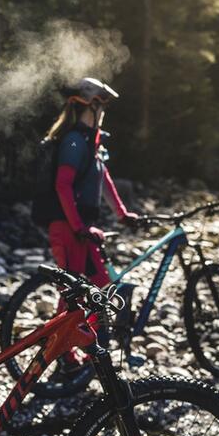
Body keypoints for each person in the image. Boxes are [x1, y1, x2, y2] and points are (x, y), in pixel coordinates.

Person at [44, 78, 138, 355]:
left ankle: (83, 346)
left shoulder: (90, 141)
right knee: (72, 297)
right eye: (103, 106)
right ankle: (60, 355)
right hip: (69, 228)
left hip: (82, 229)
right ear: (92, 105)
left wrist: (122, 214)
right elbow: (62, 185)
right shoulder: (74, 141)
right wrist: (79, 227)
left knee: (100, 289)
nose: (105, 113)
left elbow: (104, 179)